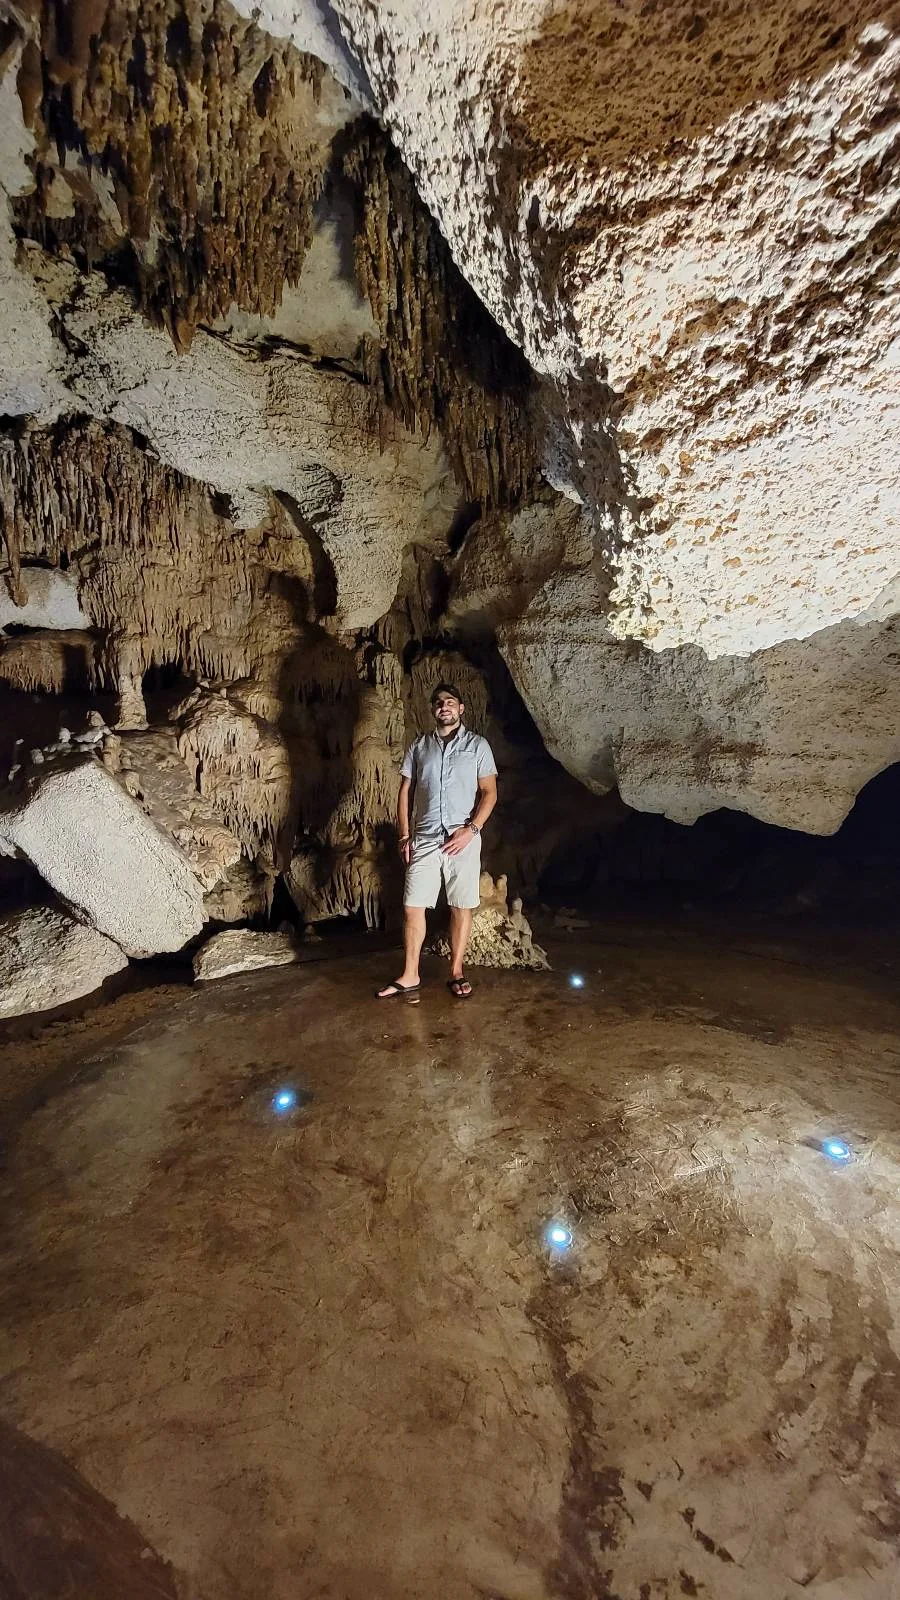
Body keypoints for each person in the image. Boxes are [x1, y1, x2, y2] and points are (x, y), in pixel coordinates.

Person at [376, 682, 498, 1000]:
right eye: (438, 702)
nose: (444, 706)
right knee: (413, 905)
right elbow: (406, 791)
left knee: (461, 905)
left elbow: (489, 793)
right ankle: (410, 974)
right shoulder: (419, 746)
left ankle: (456, 971)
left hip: (463, 837)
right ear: (433, 709)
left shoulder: (478, 746)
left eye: (450, 701)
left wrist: (472, 830)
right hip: (426, 837)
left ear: (461, 708)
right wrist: (405, 835)